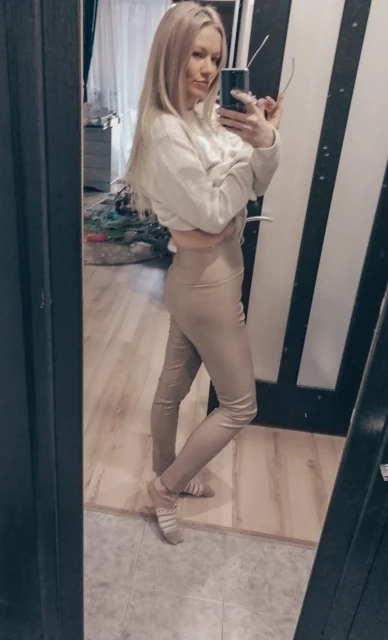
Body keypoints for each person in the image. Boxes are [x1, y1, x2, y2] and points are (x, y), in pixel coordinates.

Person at [126, 2, 283, 544]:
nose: (208, 69)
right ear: (171, 52)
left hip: (203, 274)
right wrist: (234, 188)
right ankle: (166, 487)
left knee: (172, 387)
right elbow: (216, 213)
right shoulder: (167, 131)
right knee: (240, 405)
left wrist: (263, 142)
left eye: (215, 58)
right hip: (208, 283)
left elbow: (252, 184)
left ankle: (166, 472)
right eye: (196, 54)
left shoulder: (199, 117)